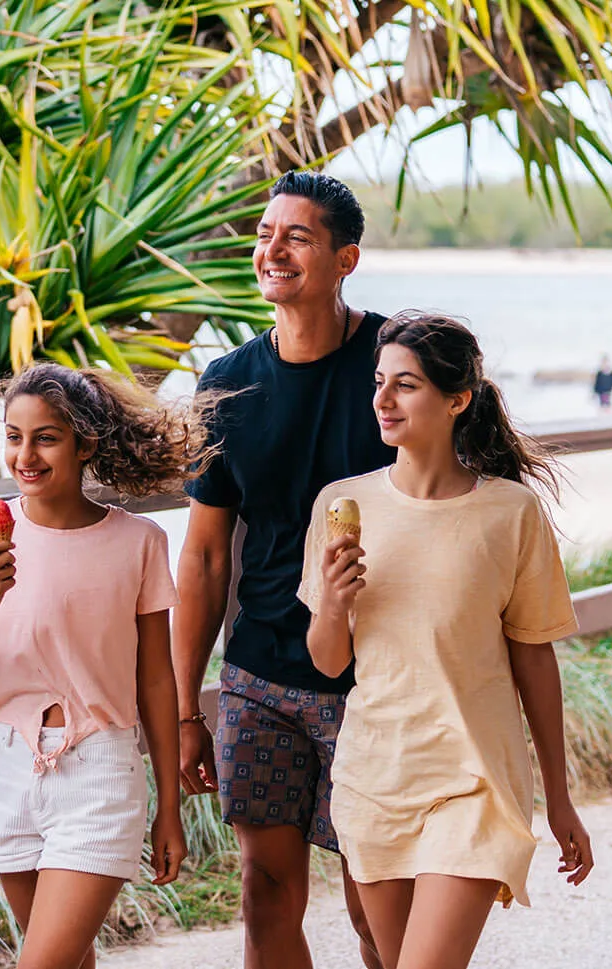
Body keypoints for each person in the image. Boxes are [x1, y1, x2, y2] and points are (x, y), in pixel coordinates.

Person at [302, 312, 594, 969]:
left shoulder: (510, 513)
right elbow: (328, 660)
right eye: (378, 382)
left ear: (456, 399)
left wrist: (559, 795)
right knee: (385, 956)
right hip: (374, 775)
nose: (381, 399)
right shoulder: (341, 505)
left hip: (474, 779)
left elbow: (533, 653)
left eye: (404, 384)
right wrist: (331, 600)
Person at [172, 170, 393, 969]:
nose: (272, 249)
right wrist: (185, 707)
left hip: (380, 680)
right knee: (264, 891)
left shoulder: (392, 365)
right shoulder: (227, 381)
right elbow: (200, 556)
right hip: (260, 673)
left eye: (296, 236)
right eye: (265, 234)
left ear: (345, 258)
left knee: (378, 901)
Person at [0, 364, 196, 969]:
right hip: (7, 766)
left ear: (85, 443)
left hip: (100, 768)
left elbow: (156, 679)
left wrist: (169, 809)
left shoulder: (139, 541)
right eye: (14, 435)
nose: (26, 454)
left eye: (46, 437)